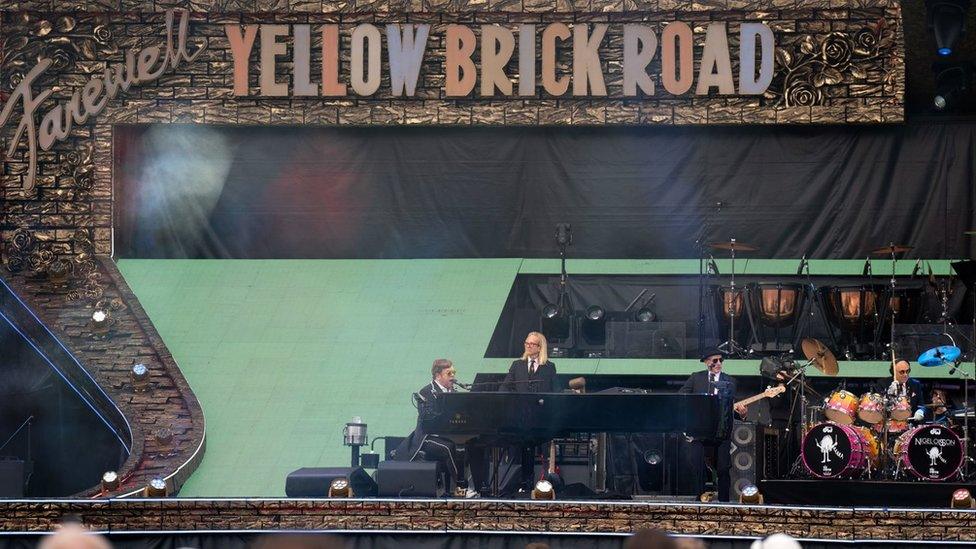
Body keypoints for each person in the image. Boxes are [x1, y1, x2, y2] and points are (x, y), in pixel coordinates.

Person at [678, 350, 747, 502]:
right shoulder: (696, 378)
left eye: (721, 360)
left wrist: (742, 414)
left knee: (723, 468)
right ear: (706, 362)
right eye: (715, 361)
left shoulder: (730, 381)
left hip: (721, 431)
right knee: (697, 467)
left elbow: (733, 409)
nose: (719, 364)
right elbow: (682, 397)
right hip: (700, 430)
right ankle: (699, 500)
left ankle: (724, 503)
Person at [393, 359, 469, 495]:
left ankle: (461, 487)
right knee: (449, 447)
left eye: (454, 372)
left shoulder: (455, 393)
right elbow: (427, 418)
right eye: (449, 373)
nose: (453, 376)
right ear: (438, 375)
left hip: (449, 435)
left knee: (467, 446)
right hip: (427, 437)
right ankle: (460, 487)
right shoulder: (426, 392)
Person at [501, 331, 557, 491]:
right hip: (519, 420)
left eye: (531, 344)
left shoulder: (549, 367)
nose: (527, 346)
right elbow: (505, 387)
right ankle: (517, 487)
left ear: (540, 347)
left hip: (540, 420)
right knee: (518, 454)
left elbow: (554, 391)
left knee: (538, 455)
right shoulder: (517, 365)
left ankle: (538, 488)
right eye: (526, 343)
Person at [873, 359, 925, 424]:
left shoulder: (915, 384)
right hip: (889, 424)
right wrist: (889, 394)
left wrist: (920, 411)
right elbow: (879, 407)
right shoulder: (882, 383)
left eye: (907, 371)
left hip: (910, 424)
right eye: (902, 372)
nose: (906, 374)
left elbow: (921, 404)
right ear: (893, 372)